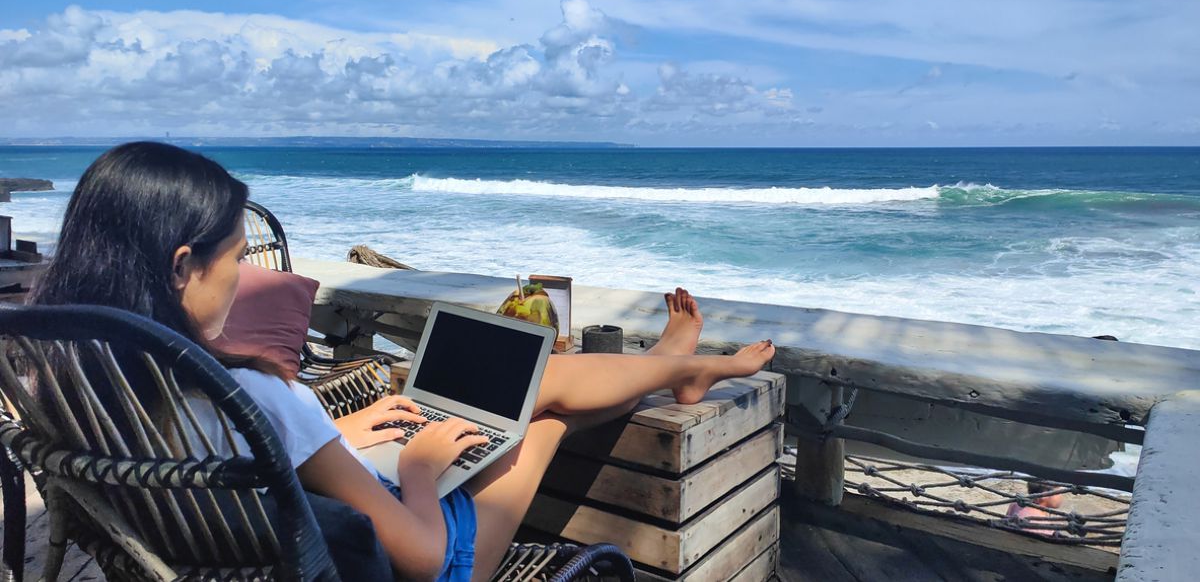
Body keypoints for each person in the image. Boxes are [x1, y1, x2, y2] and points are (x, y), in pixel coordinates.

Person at [31, 141, 776, 582]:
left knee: (529, 396)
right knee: (538, 411)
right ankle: (678, 369)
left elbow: (230, 462)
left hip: (254, 541)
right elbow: (420, 557)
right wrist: (418, 469)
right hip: (424, 558)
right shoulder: (252, 394)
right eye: (237, 258)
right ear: (181, 266)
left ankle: (673, 367)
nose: (245, 275)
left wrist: (334, 442)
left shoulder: (65, 379)